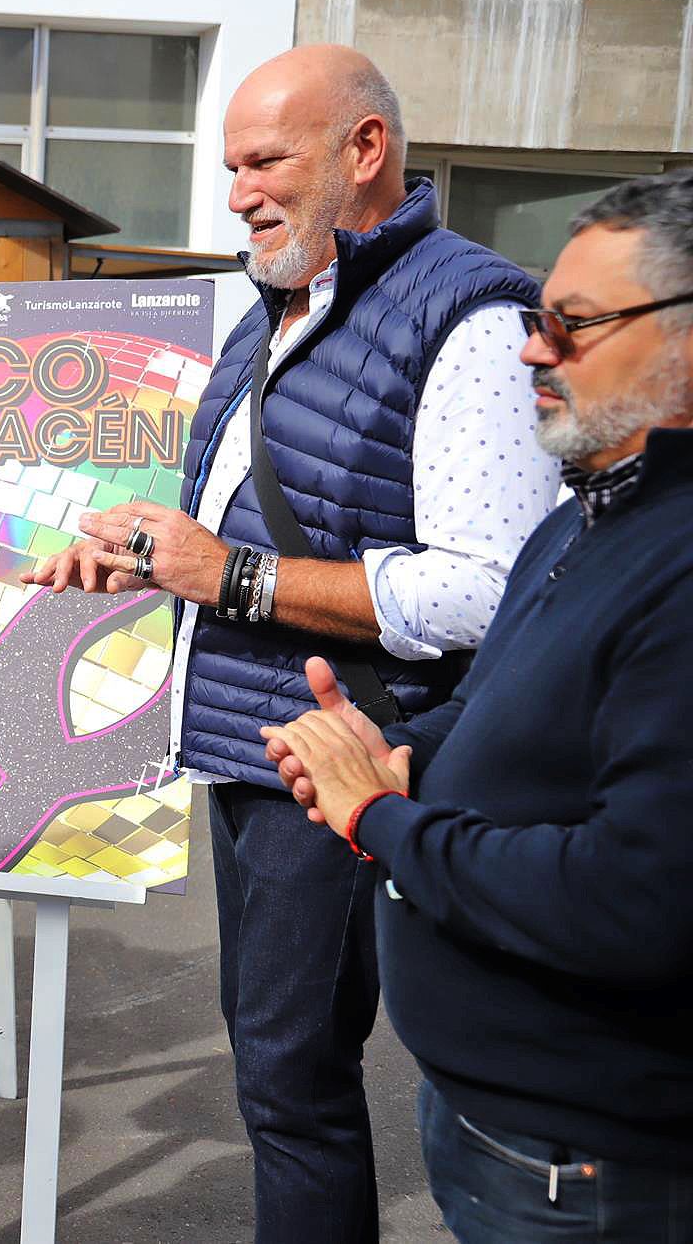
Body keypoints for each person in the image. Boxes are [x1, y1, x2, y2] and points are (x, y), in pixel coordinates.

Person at [27, 46, 560, 1241]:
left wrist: (231, 575)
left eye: (264, 159)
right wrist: (138, 549)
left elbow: (493, 589)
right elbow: (247, 522)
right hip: (259, 746)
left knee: (291, 1080)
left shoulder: (468, 317)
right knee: (278, 1069)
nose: (235, 191)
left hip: (348, 756)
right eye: (230, 166)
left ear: (363, 151)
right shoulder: (280, 306)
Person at [262, 168, 693, 1243]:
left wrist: (379, 817)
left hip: (593, 1165)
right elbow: (506, 703)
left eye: (571, 323)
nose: (530, 348)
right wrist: (399, 746)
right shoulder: (592, 508)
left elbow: (630, 901)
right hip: (499, 1123)